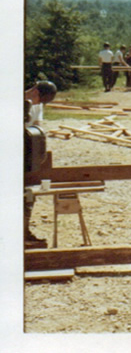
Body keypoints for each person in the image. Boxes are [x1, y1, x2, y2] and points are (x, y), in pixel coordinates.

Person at [24, 80, 57, 247]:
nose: (40, 104)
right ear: (35, 92)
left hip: (25, 154)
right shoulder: (14, 100)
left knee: (28, 195)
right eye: (41, 99)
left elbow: (37, 128)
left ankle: (24, 231)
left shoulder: (37, 106)